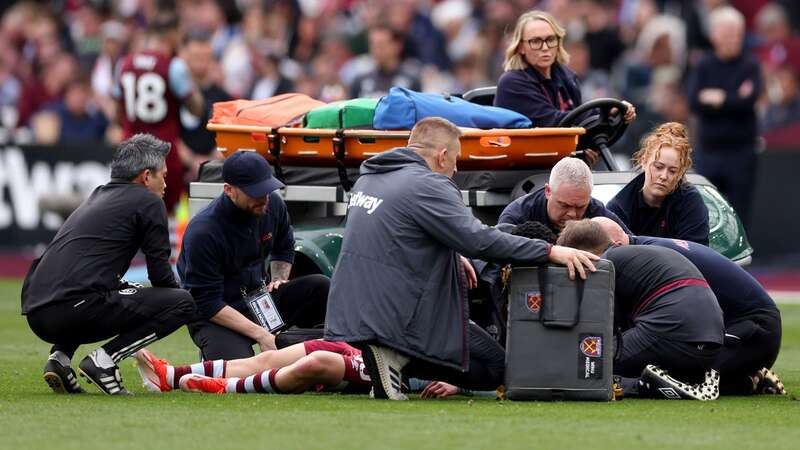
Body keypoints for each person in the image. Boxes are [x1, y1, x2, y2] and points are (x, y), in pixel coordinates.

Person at [324, 117, 598, 400]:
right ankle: (396, 355)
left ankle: (391, 365)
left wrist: (452, 253)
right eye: (456, 160)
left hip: (352, 312)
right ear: (443, 156)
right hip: (398, 314)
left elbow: (400, 238)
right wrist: (549, 250)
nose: (455, 169)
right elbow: (480, 240)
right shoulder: (428, 184)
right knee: (493, 367)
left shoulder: (369, 179)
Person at [21, 134, 195, 395]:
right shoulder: (149, 201)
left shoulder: (99, 194)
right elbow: (161, 277)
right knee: (182, 302)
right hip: (71, 309)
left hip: (36, 311)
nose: (166, 184)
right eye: (164, 176)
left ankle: (60, 359)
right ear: (146, 176)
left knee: (106, 287)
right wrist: (186, 298)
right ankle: (105, 360)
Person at [592, 216, 785, 395]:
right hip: (747, 325)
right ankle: (748, 378)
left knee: (672, 374)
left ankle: (748, 381)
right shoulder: (651, 249)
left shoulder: (643, 257)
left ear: (615, 245)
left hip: (753, 329)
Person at [177, 151, 329, 361]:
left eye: (267, 189)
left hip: (259, 297)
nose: (264, 198)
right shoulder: (203, 232)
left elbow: (284, 245)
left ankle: (310, 346)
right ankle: (216, 352)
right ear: (229, 190)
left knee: (320, 286)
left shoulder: (273, 204)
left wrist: (278, 279)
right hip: (218, 313)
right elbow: (206, 302)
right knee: (237, 373)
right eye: (255, 193)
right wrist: (261, 335)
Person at [558, 219, 724, 400]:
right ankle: (685, 379)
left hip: (672, 334)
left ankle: (643, 386)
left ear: (579, 253)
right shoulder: (646, 253)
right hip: (710, 346)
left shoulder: (604, 264)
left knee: (581, 364)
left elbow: (596, 324)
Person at [493, 10, 635, 165]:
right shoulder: (512, 83)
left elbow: (577, 121)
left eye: (550, 39)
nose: (545, 47)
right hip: (523, 169)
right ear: (521, 47)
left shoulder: (566, 76)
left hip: (560, 165)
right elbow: (552, 123)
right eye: (536, 41)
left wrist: (617, 114)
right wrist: (605, 112)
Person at [115, 19, 204, 214]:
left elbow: (117, 114)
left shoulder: (124, 63)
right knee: (165, 212)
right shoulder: (174, 66)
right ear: (171, 37)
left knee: (130, 211)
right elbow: (196, 109)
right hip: (162, 153)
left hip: (129, 150)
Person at [687, 6, 761, 230]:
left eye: (738, 33)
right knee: (707, 212)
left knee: (739, 214)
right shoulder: (703, 65)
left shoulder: (750, 65)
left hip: (741, 151)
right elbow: (694, 102)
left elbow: (748, 101)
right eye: (728, 34)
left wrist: (719, 99)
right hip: (709, 151)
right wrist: (733, 97)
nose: (734, 39)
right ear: (714, 36)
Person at [606, 122, 710, 245]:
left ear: (681, 173)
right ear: (644, 162)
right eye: (658, 167)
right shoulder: (619, 208)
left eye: (672, 171)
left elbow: (697, 252)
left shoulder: (690, 201)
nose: (664, 176)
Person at [497, 157, 630, 235]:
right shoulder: (517, 216)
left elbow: (633, 242)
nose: (572, 214)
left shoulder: (597, 212)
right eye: (564, 205)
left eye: (580, 207)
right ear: (548, 191)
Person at [349, 24, 421, 99]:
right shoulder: (360, 81)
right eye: (373, 44)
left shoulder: (411, 80)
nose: (376, 50)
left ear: (397, 46)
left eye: (381, 44)